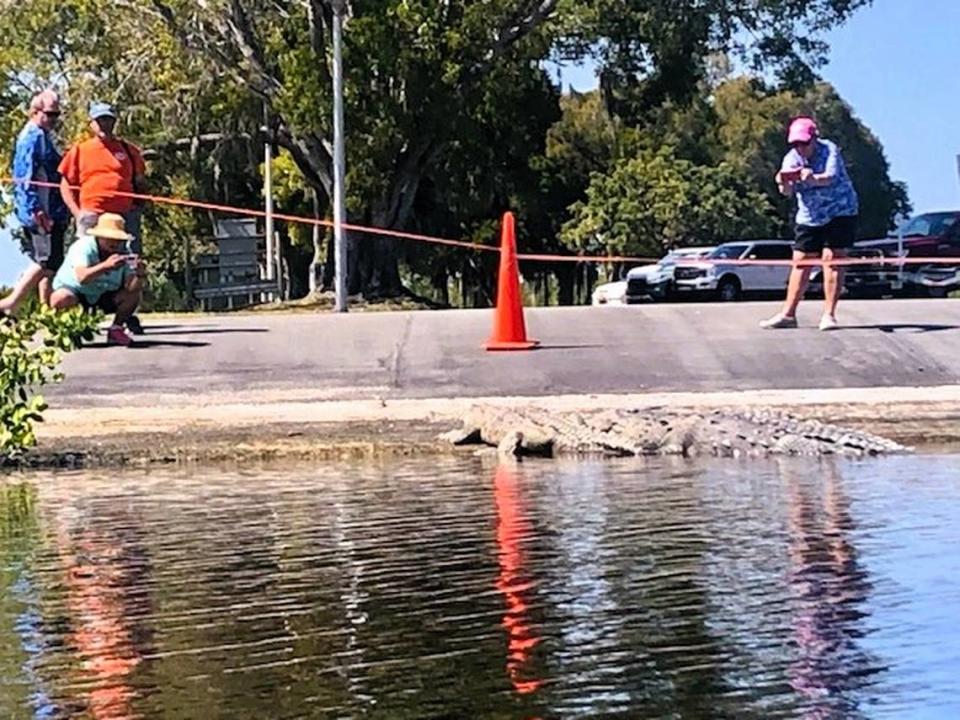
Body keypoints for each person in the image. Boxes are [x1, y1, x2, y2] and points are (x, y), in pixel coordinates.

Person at [760, 117, 860, 331]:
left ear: (814, 139)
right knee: (801, 261)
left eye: (804, 143)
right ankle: (788, 314)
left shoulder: (829, 149)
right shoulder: (791, 158)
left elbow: (829, 178)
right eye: (796, 144)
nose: (800, 148)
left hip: (840, 210)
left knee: (832, 259)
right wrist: (782, 182)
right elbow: (786, 192)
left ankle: (829, 315)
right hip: (810, 215)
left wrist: (810, 177)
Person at [58, 101, 147, 334]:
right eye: (100, 120)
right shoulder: (80, 150)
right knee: (88, 261)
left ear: (114, 122)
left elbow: (140, 182)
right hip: (92, 215)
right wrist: (77, 213)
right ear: (92, 124)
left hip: (123, 216)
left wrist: (138, 202)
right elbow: (65, 185)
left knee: (129, 262)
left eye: (108, 119)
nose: (104, 124)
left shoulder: (128, 150)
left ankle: (125, 315)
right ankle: (81, 313)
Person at [1, 89, 69, 318]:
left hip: (51, 209)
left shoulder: (43, 135)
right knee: (46, 260)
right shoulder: (32, 137)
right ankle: (11, 302)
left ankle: (45, 309)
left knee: (51, 263)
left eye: (57, 114)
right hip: (42, 210)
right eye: (50, 114)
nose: (54, 119)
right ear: (35, 112)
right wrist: (36, 209)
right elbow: (25, 176)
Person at [50, 213, 146, 347]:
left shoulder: (125, 252)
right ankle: (65, 330)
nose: (114, 243)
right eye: (110, 239)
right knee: (60, 297)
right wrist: (106, 266)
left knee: (134, 295)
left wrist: (139, 275)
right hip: (77, 293)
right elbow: (82, 278)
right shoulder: (83, 247)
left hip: (104, 295)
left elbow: (131, 288)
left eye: (118, 239)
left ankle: (116, 329)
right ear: (99, 237)